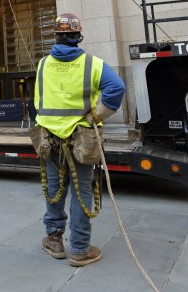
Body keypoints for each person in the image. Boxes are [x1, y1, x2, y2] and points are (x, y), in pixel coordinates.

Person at [34, 13, 125, 267]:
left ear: (56, 36)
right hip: (81, 138)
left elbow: (39, 102)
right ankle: (80, 249)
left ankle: (54, 240)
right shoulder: (93, 64)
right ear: (78, 36)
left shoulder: (43, 64)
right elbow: (116, 88)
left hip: (49, 138)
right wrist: (95, 116)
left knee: (54, 189)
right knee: (81, 190)